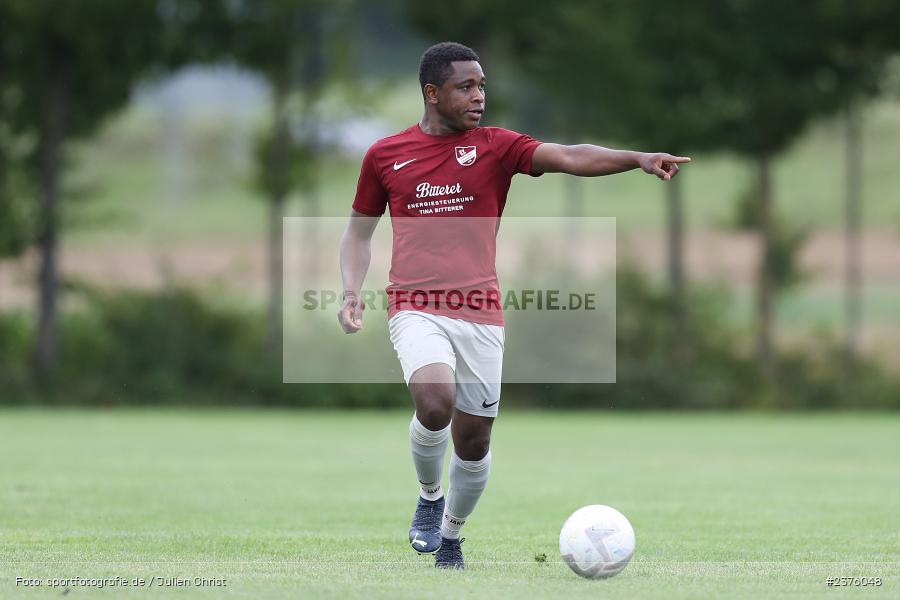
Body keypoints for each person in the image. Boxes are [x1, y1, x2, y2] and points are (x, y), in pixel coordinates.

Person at [338, 41, 689, 569]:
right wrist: (349, 291)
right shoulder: (386, 155)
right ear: (432, 93)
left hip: (480, 312)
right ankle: (430, 499)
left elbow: (572, 155)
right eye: (466, 87)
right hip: (415, 304)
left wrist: (635, 159)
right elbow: (358, 234)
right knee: (434, 402)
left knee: (474, 441)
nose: (479, 96)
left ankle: (453, 537)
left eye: (482, 86)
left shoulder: (497, 146)